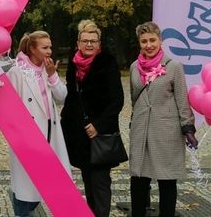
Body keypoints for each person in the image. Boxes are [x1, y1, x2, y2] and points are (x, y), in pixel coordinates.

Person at [129, 21, 198, 217]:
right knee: (139, 179)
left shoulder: (174, 66)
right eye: (144, 41)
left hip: (166, 131)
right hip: (141, 131)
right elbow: (135, 98)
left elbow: (182, 100)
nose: (148, 45)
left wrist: (188, 128)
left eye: (152, 40)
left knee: (167, 181)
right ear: (139, 43)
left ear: (160, 41)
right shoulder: (134, 67)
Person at [61, 19, 124, 217]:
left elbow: (117, 100)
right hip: (80, 136)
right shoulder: (73, 66)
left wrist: (98, 125)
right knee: (88, 182)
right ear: (78, 43)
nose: (89, 44)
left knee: (100, 184)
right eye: (85, 40)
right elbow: (71, 99)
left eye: (93, 41)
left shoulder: (107, 63)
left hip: (100, 135)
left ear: (99, 44)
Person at [7, 31, 72, 217]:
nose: (49, 51)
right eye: (45, 47)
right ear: (32, 49)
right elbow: (10, 108)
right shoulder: (16, 72)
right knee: (26, 188)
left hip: (51, 133)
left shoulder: (47, 69)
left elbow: (62, 97)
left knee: (49, 183)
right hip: (28, 138)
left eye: (50, 46)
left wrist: (53, 76)